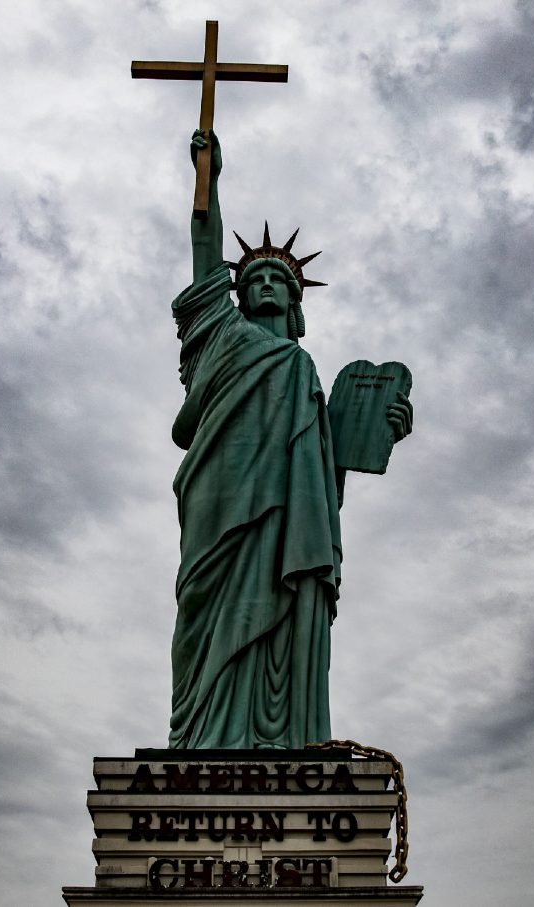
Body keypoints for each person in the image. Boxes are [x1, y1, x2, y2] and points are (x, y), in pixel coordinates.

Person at [168, 130, 411, 749]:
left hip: (288, 517)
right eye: (257, 278)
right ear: (240, 294)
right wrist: (207, 181)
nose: (268, 283)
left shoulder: (304, 372)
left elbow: (324, 475)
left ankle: (281, 739)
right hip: (219, 498)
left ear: (297, 299)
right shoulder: (222, 333)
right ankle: (204, 736)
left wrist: (379, 426)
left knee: (285, 603)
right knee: (205, 611)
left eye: (281, 278)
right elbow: (204, 255)